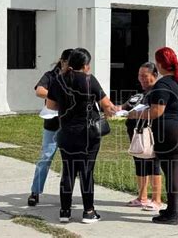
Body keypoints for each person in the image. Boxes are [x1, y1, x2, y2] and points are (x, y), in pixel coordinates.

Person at [128, 47, 178, 225]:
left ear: (159, 64)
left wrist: (134, 114)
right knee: (177, 171)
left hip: (172, 133)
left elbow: (156, 111)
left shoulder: (163, 84)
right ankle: (177, 209)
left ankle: (173, 215)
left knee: (172, 172)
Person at [46, 48, 116, 224]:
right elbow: (106, 104)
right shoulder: (89, 80)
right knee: (86, 172)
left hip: (66, 133)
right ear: (85, 65)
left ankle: (64, 211)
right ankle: (88, 211)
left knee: (68, 171)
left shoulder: (58, 80)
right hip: (88, 134)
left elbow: (51, 106)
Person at [28, 49, 74, 206]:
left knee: (70, 161)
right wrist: (56, 95)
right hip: (52, 124)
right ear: (62, 61)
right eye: (69, 62)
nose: (71, 66)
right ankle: (35, 191)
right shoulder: (51, 75)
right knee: (45, 157)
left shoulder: (76, 77)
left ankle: (66, 196)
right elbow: (39, 90)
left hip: (70, 125)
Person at [121, 62, 162, 211]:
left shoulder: (159, 93)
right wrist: (115, 109)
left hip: (150, 134)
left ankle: (156, 199)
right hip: (136, 134)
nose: (142, 80)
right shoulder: (139, 95)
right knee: (139, 161)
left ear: (155, 75)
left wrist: (136, 114)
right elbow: (124, 107)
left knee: (153, 164)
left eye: (145, 76)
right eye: (140, 76)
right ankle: (142, 197)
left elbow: (157, 112)